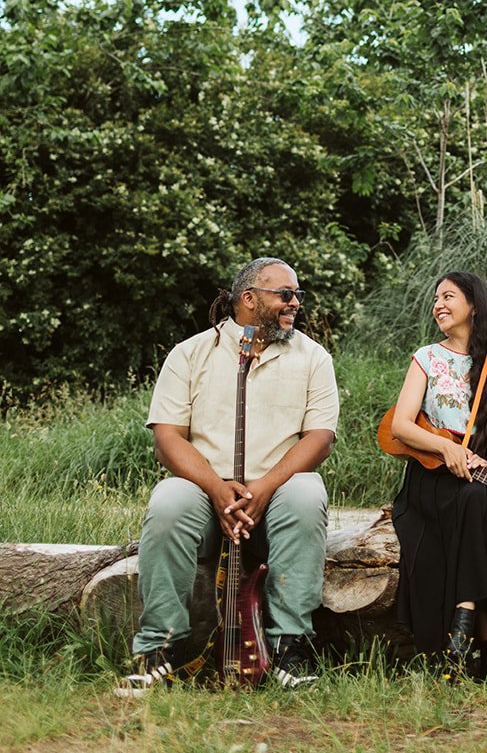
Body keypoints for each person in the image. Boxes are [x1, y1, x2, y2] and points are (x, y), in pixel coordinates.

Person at [118, 257, 340, 694]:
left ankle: (288, 645)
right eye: (285, 294)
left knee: (306, 492)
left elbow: (319, 438)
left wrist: (262, 489)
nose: (295, 303)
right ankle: (160, 647)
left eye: (298, 295)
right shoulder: (191, 353)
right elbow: (167, 439)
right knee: (167, 501)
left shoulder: (313, 357)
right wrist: (218, 490)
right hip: (205, 491)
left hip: (275, 493)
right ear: (249, 298)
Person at [389, 270, 487, 681]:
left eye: (449, 296)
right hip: (434, 478)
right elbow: (400, 426)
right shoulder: (427, 358)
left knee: (479, 498)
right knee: (474, 502)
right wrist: (446, 448)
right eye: (436, 298)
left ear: (474, 305)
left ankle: (464, 619)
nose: (438, 304)